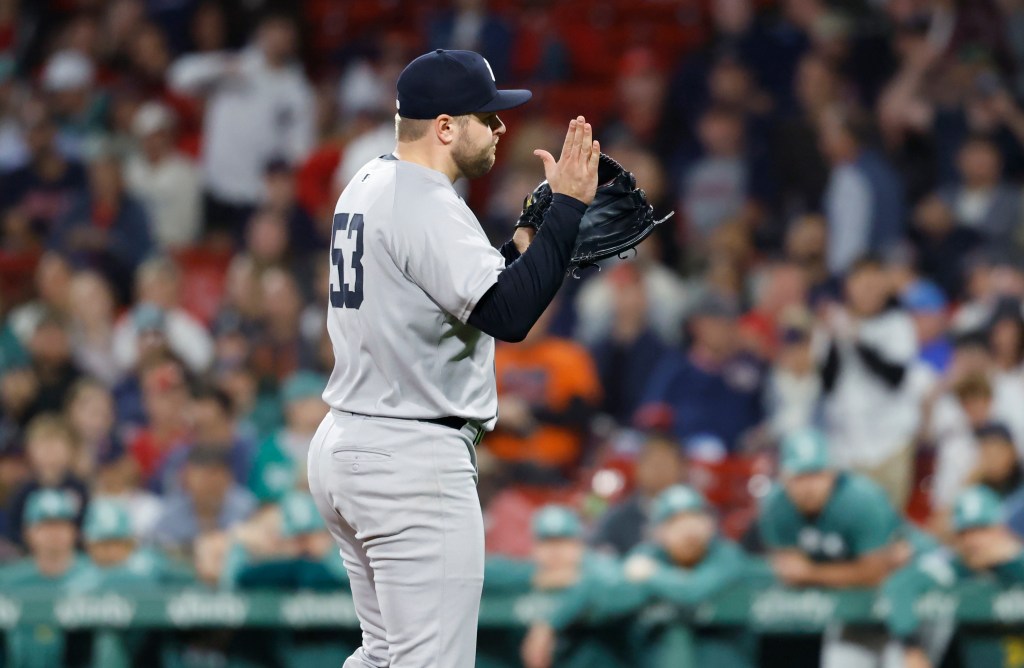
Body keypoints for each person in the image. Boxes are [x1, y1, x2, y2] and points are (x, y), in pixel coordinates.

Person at [307, 48, 601, 668]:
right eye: (485, 117)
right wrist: (569, 209)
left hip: (351, 442)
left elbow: (453, 288)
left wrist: (526, 242)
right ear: (445, 127)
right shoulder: (426, 201)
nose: (500, 129)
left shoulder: (368, 179)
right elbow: (509, 315)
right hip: (409, 461)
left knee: (384, 655)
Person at [758, 428, 924, 668]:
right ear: (784, 477)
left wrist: (812, 573)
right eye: (799, 476)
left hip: (909, 600)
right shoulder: (776, 506)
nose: (808, 486)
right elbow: (790, 572)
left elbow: (876, 573)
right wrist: (839, 573)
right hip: (852, 610)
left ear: (833, 474)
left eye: (816, 474)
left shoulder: (862, 500)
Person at [623, 484, 760, 667]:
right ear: (659, 532)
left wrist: (653, 575)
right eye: (676, 521)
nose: (688, 529)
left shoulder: (727, 555)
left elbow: (692, 591)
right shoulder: (647, 555)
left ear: (709, 524)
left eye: (694, 518)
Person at [0, 489, 91, 668]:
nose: (54, 533)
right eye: (45, 524)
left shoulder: (94, 575)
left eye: (61, 524)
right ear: (28, 532)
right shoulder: (8, 579)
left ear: (74, 530)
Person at [590, 434, 684, 555]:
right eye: (653, 463)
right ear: (637, 468)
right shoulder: (618, 518)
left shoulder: (698, 513)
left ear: (681, 468)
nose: (659, 470)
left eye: (666, 463)